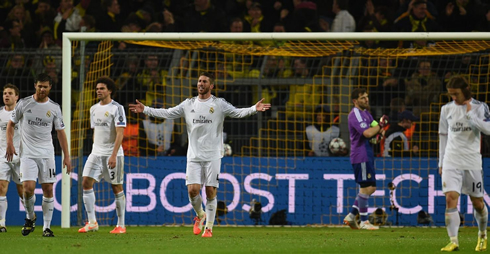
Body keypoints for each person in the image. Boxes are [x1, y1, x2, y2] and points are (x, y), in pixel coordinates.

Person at [129, 72, 271, 237]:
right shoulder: (188, 104)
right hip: (194, 155)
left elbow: (237, 113)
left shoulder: (219, 104)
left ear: (211, 86)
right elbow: (167, 113)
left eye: (204, 81)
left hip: (213, 155)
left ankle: (209, 228)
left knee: (210, 190)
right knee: (193, 191)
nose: (201, 83)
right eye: (199, 81)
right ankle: (200, 215)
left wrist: (255, 108)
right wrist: (145, 109)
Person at [6, 73, 71, 237]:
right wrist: (9, 143)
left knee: (48, 189)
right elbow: (11, 124)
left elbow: (61, 132)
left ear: (50, 87)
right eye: (39, 86)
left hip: (47, 154)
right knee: (27, 189)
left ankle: (47, 228)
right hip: (27, 154)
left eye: (45, 86)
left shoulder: (54, 107)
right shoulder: (24, 103)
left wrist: (67, 156)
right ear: (35, 85)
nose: (42, 89)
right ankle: (30, 217)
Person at [439, 76, 489, 252]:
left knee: (478, 203)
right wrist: (441, 162)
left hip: (472, 161)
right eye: (451, 95)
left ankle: (482, 235)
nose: (453, 98)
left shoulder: (480, 107)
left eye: (456, 94)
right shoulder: (446, 109)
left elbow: (488, 129)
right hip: (451, 160)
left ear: (466, 90)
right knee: (450, 198)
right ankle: (453, 241)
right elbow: (443, 136)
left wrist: (470, 116)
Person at [78, 77, 127, 234]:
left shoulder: (117, 108)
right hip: (96, 153)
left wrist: (113, 155)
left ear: (110, 90)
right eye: (97, 88)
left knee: (116, 186)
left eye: (102, 88)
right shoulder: (93, 109)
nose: (98, 91)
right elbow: (95, 132)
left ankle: (121, 225)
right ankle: (92, 222)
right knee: (86, 181)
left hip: (113, 154)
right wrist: (94, 149)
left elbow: (120, 134)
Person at [343, 87, 387, 230]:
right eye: (362, 98)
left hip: (367, 153)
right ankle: (363, 222)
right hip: (360, 154)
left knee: (371, 187)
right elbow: (368, 133)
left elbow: (377, 128)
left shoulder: (366, 114)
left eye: (366, 97)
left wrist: (381, 129)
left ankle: (351, 216)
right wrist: (379, 127)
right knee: (365, 187)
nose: (366, 100)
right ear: (355, 101)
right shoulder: (354, 114)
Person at [0, 84, 24, 232]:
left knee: (23, 190)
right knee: (1, 186)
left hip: (20, 157)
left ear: (17, 97)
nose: (6, 96)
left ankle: (29, 217)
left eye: (10, 93)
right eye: (4, 93)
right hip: (2, 155)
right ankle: (2, 222)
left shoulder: (23, 114)